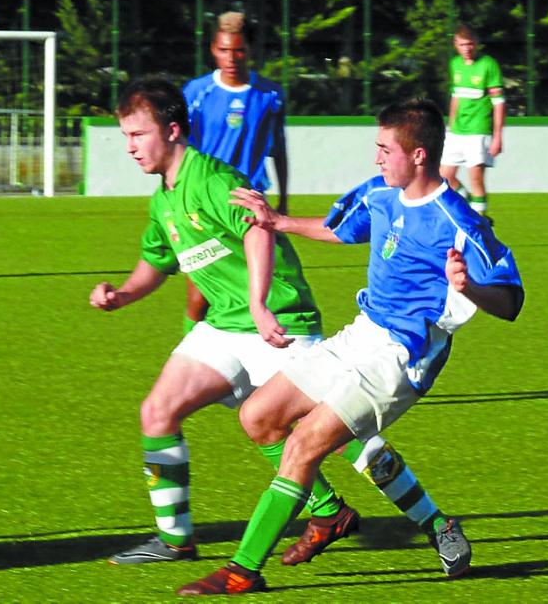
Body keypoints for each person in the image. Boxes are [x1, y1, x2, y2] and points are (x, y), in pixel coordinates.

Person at [89, 78, 457, 568]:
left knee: (352, 441)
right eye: (125, 137)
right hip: (224, 327)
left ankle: (433, 522)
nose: (130, 147)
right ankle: (176, 539)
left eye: (137, 135)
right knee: (158, 411)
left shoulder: (214, 178)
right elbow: (156, 264)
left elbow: (257, 232)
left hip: (278, 321)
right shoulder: (164, 200)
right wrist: (122, 294)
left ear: (172, 130)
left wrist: (260, 304)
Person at [177, 97, 524, 595]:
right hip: (361, 333)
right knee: (259, 416)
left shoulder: (458, 220)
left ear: (419, 155)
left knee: (303, 445)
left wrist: (470, 289)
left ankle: (243, 570)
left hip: (402, 356)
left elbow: (511, 301)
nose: (377, 158)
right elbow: (341, 229)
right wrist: (277, 222)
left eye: (385, 149)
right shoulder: (381, 193)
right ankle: (428, 524)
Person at [181, 11, 288, 334]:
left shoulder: (270, 94)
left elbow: (278, 148)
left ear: (250, 50)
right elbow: (181, 150)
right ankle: (186, 356)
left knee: (260, 290)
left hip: (250, 204)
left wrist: (283, 198)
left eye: (238, 50)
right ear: (213, 49)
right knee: (201, 291)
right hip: (205, 202)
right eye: (224, 50)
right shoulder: (196, 93)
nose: (231, 58)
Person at [440, 24, 505, 222]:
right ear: (455, 45)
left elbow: (499, 103)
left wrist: (497, 137)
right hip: (457, 131)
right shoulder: (455, 65)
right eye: (462, 44)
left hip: (479, 131)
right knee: (444, 178)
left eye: (470, 44)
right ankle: (471, 207)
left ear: (476, 44)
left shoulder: (488, 65)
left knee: (475, 177)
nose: (467, 48)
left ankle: (480, 222)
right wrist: (450, 127)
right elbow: (456, 97)